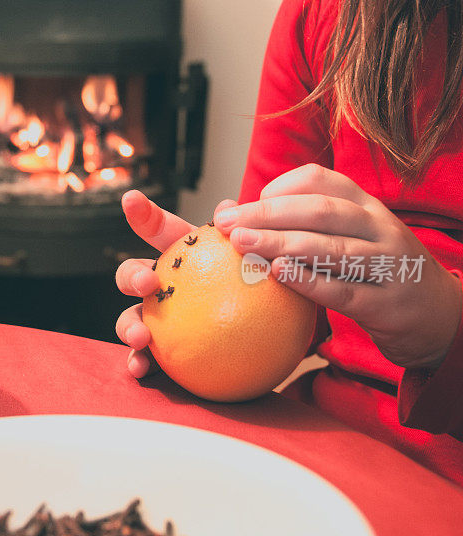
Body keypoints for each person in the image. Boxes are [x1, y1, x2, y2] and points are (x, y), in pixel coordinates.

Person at [115, 0, 463, 486]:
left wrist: (448, 326)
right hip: (316, 434)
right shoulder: (325, 14)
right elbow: (279, 274)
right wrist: (201, 321)